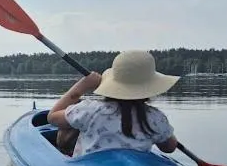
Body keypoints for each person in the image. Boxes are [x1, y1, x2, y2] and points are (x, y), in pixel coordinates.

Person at [47, 50, 180, 157]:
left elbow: (52, 117)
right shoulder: (156, 118)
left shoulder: (89, 110)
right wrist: (164, 130)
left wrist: (83, 85)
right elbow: (169, 148)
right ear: (150, 88)